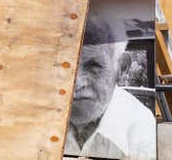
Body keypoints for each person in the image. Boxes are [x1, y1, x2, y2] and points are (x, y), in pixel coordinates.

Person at [65, 16, 156, 160]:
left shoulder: (140, 128)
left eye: (94, 66)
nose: (77, 83)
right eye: (66, 65)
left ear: (122, 68)